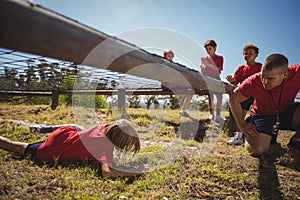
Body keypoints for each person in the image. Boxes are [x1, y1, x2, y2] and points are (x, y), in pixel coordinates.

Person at [0, 119, 143, 178]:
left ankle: (46, 129)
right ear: (117, 141)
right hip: (52, 150)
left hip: (63, 136)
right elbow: (106, 172)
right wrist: (132, 172)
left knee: (78, 127)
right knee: (16, 147)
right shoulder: (103, 148)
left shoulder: (102, 128)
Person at [229, 54, 300, 169]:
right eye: (263, 76)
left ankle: (297, 141)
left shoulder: (297, 73)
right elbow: (234, 100)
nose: (264, 82)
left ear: (285, 74)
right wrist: (241, 125)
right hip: (262, 115)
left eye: (270, 78)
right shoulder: (253, 81)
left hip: (288, 112)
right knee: (257, 150)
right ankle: (260, 134)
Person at [226, 44, 262, 145]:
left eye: (250, 54)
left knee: (257, 115)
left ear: (256, 55)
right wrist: (231, 80)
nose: (247, 55)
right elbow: (235, 81)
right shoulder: (241, 68)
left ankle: (257, 135)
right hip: (244, 94)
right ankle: (239, 136)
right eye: (245, 54)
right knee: (240, 114)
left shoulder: (261, 67)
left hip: (258, 95)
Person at [200, 40, 224, 122]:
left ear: (215, 48)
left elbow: (219, 70)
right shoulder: (204, 58)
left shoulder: (220, 58)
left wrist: (208, 65)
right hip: (207, 79)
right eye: (206, 49)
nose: (208, 50)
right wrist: (203, 66)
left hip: (216, 78)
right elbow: (202, 71)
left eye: (210, 48)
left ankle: (218, 115)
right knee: (210, 97)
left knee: (219, 97)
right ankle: (211, 115)